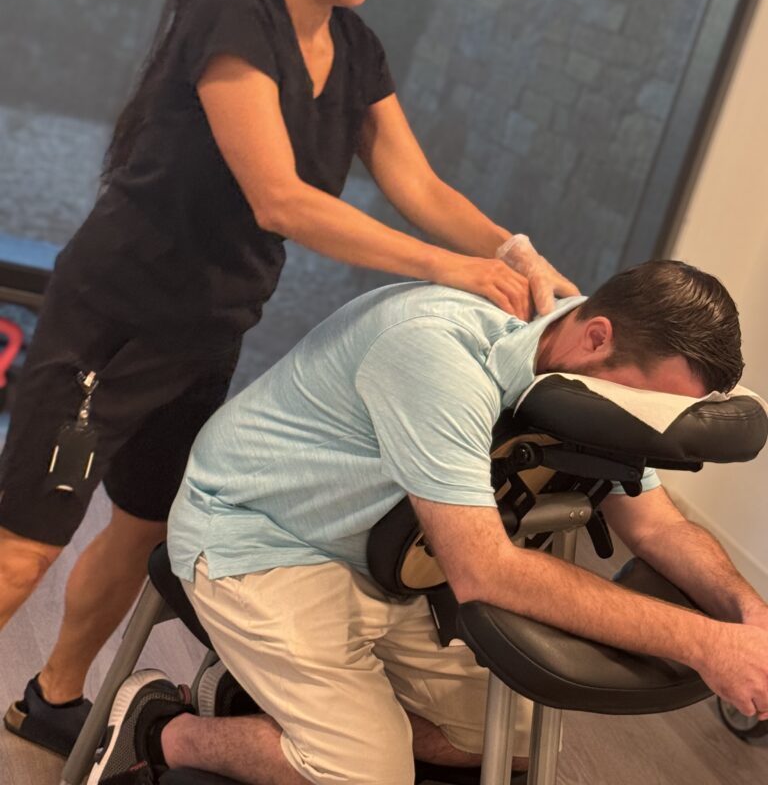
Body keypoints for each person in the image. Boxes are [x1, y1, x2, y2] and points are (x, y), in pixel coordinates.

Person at [0, 0, 578, 757]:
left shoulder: (356, 51)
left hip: (204, 335)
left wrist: (516, 254)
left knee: (141, 525)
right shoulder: (235, 15)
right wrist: (449, 268)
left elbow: (420, 186)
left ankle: (51, 695)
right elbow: (280, 200)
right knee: (25, 541)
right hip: (113, 324)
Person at [85, 259, 768, 785]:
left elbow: (655, 527)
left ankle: (257, 706)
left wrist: (745, 612)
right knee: (372, 774)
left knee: (527, 737)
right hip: (263, 537)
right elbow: (482, 571)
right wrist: (705, 645)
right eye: (656, 406)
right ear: (596, 338)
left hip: (387, 563)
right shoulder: (435, 354)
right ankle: (160, 728)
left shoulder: (598, 387)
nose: (649, 426)